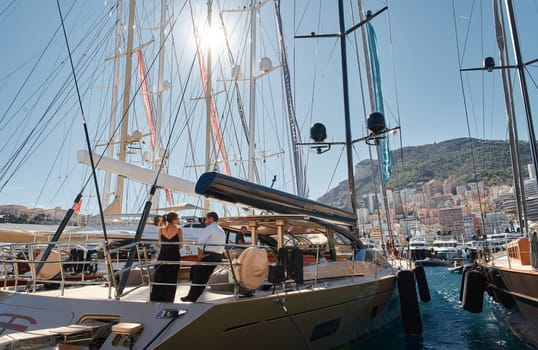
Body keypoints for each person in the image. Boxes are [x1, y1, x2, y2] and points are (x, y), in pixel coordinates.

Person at [181, 211, 225, 302]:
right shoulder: (221, 229)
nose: (205, 221)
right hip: (217, 257)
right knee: (203, 278)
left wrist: (200, 255)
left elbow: (200, 242)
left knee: (197, 276)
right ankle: (194, 297)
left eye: (206, 219)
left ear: (211, 219)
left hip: (208, 256)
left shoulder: (210, 228)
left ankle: (191, 297)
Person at [150, 212, 182, 302]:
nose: (178, 220)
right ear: (173, 220)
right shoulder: (178, 230)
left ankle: (157, 297)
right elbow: (180, 245)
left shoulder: (161, 230)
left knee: (160, 277)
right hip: (174, 255)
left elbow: (160, 244)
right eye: (177, 218)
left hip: (163, 255)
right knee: (172, 278)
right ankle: (168, 298)